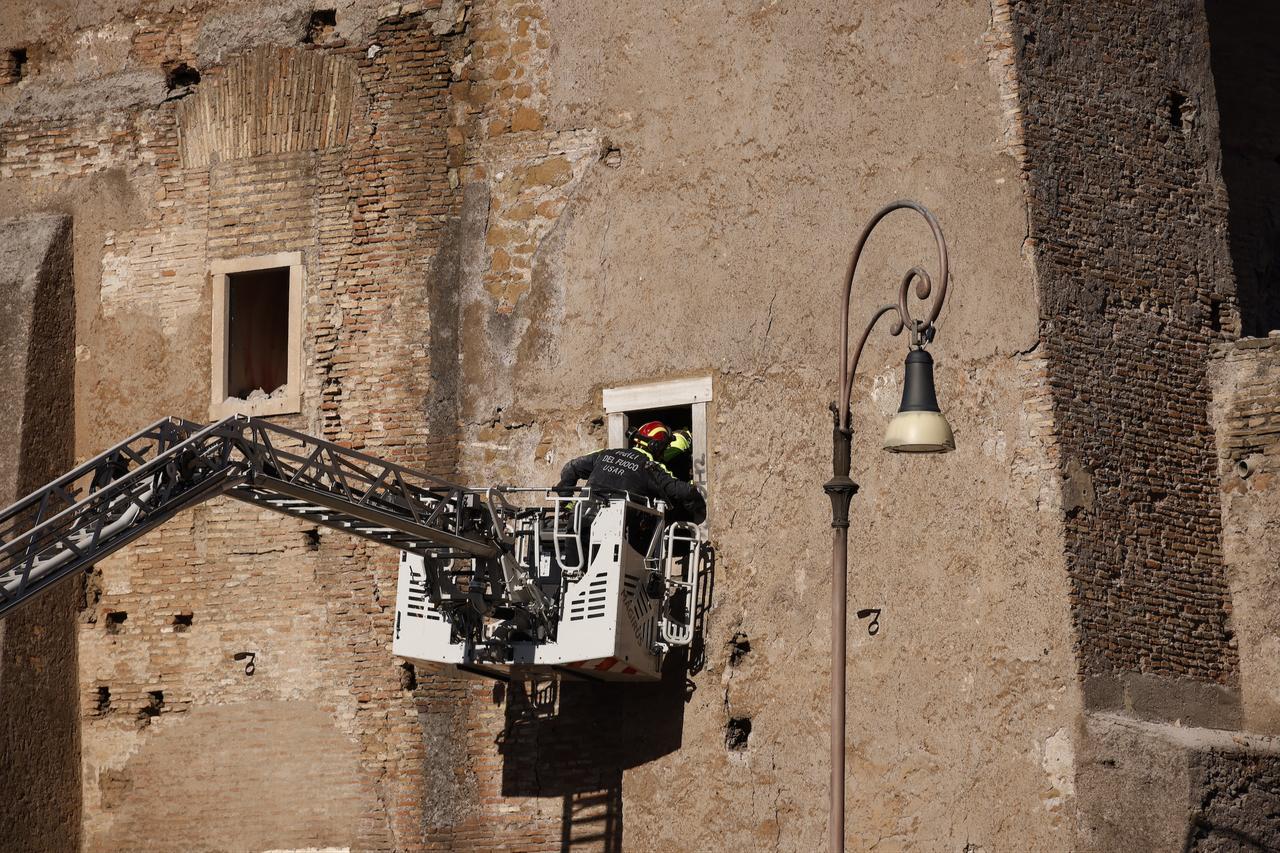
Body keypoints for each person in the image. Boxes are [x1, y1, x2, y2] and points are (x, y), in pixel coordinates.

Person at [555, 420, 706, 523]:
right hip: (615, 537)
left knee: (572, 569)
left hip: (577, 525)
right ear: (658, 448)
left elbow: (571, 468)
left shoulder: (607, 454)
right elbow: (683, 492)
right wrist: (698, 508)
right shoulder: (651, 468)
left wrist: (568, 503)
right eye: (665, 447)